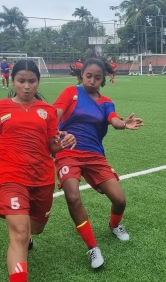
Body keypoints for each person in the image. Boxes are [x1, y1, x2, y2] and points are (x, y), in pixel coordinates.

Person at [0, 60, 76, 282]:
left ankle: (28, 235)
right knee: (20, 233)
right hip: (10, 174)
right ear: (13, 81)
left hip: (41, 176)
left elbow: (51, 145)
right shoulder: (0, 107)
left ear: (38, 82)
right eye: (21, 81)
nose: (27, 86)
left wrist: (62, 144)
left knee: (35, 229)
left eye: (32, 81)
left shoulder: (48, 111)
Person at [52, 56, 144, 269]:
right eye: (88, 76)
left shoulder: (105, 102)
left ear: (103, 80)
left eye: (97, 77)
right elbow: (54, 115)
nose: (92, 80)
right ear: (82, 75)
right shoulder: (71, 93)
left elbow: (113, 119)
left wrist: (124, 124)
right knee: (72, 196)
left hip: (95, 156)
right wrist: (53, 131)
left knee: (119, 199)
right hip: (68, 152)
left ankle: (115, 225)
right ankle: (92, 247)